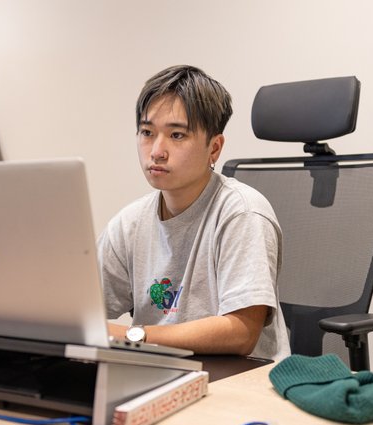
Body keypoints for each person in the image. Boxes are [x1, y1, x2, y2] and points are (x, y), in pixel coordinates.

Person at [97, 65, 290, 360]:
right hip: (158, 372)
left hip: (239, 379)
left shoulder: (242, 213)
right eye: (147, 132)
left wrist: (133, 336)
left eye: (176, 135)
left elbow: (241, 332)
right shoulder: (129, 224)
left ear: (214, 148)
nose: (157, 151)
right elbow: (80, 313)